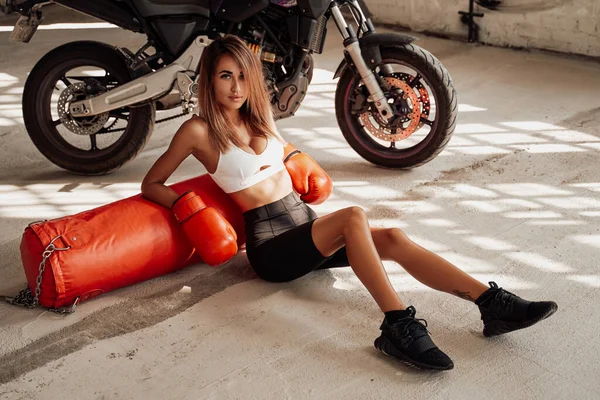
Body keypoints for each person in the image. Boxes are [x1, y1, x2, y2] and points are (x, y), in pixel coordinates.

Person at [141, 35, 557, 371]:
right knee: (354, 215)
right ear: (209, 82)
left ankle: (490, 303)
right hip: (272, 248)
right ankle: (398, 325)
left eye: (242, 77)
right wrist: (188, 205)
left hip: (306, 229)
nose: (235, 88)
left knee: (392, 236)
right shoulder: (197, 131)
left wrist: (294, 159)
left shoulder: (259, 118)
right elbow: (152, 182)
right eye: (224, 77)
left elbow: (279, 162)